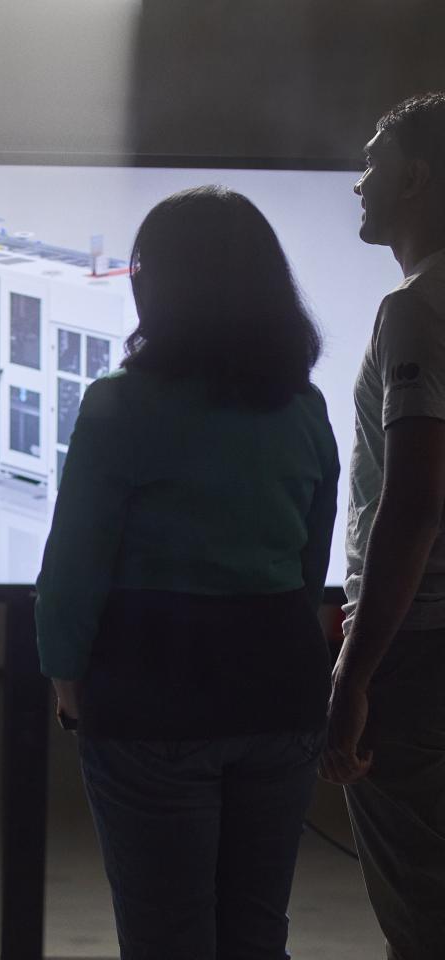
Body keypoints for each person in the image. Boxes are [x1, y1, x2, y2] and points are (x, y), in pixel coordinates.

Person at [35, 186, 339, 960]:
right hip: (280, 695)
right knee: (256, 932)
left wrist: (69, 682)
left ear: (156, 286)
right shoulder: (304, 408)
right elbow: (311, 565)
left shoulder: (118, 407)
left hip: (152, 695)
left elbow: (74, 566)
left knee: (168, 939)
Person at [320, 92, 445, 959]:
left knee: (424, 916)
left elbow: (413, 501)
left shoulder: (417, 310)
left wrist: (355, 674)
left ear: (415, 179)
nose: (358, 183)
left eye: (372, 162)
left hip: (419, 648)